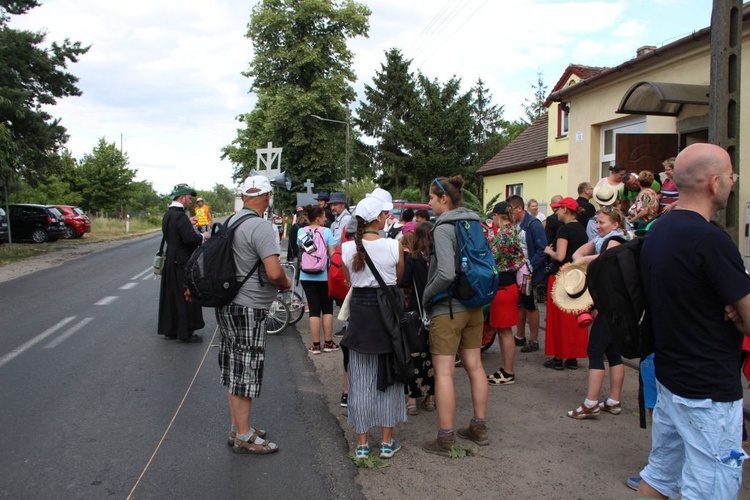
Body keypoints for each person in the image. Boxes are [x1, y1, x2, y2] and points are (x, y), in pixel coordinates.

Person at [637, 143, 750, 500]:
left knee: (659, 475)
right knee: (711, 487)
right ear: (714, 183)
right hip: (709, 390)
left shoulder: (659, 231)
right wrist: (735, 311)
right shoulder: (711, 240)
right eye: (731, 176)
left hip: (672, 376)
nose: (734, 183)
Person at [216, 175, 292, 454]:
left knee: (234, 365)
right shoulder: (259, 226)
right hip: (249, 307)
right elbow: (273, 272)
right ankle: (244, 435)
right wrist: (285, 283)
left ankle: (237, 427)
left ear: (243, 197)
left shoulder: (230, 222)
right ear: (268, 197)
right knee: (246, 368)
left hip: (228, 303)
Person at [421, 175, 489, 456]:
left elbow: (446, 273)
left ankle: (446, 438)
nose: (428, 202)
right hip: (475, 304)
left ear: (444, 199)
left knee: (444, 373)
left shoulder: (443, 227)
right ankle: (478, 427)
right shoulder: (473, 222)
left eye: (431, 197)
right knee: (475, 366)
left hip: (448, 308)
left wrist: (426, 295)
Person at [340, 196, 406, 460]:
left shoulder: (346, 249)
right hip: (387, 314)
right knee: (390, 373)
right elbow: (398, 279)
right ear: (378, 218)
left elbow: (349, 281)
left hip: (360, 313)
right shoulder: (393, 245)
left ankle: (362, 444)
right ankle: (387, 443)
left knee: (360, 376)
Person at [566, 207, 626, 419]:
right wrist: (586, 255)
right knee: (612, 352)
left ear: (616, 224)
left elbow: (602, 260)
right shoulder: (604, 240)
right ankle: (613, 401)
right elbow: (577, 255)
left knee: (595, 350)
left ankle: (591, 403)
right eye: (597, 222)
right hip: (614, 306)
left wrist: (585, 259)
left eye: (602, 222)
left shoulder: (615, 241)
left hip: (611, 307)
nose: (597, 226)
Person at [157, 183, 210, 343]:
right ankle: (185, 332)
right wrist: (203, 236)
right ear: (182, 197)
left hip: (170, 258)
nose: (190, 201)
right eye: (189, 198)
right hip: (182, 260)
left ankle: (170, 329)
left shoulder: (169, 215)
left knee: (172, 295)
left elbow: (175, 232)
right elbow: (189, 239)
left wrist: (189, 223)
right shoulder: (180, 216)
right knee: (185, 295)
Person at [542, 197, 588, 370]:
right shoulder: (581, 230)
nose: (556, 212)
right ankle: (572, 357)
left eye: (558, 209)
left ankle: (559, 356)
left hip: (560, 277)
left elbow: (560, 256)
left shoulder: (563, 230)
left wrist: (547, 250)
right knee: (572, 317)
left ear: (566, 210)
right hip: (576, 278)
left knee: (558, 319)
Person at [485, 201, 525, 386]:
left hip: (504, 287)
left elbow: (491, 259)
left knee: (505, 332)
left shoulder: (503, 236)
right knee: (503, 332)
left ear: (497, 215)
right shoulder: (511, 232)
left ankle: (508, 372)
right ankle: (505, 369)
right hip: (507, 286)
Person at [399, 224, 435, 415]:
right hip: (437, 311)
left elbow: (404, 282)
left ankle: (412, 400)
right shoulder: (437, 257)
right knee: (434, 354)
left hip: (417, 310)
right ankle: (431, 398)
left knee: (416, 354)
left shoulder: (414, 258)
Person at [507, 195, 547, 353]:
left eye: (511, 210)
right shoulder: (517, 224)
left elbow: (542, 249)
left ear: (519, 208)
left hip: (531, 273)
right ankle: (520, 336)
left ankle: (534, 340)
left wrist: (530, 266)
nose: (509, 214)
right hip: (519, 272)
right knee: (520, 304)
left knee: (531, 305)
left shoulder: (533, 224)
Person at [297, 205, 338, 354]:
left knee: (314, 310)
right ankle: (328, 343)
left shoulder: (301, 231)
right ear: (318, 218)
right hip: (324, 275)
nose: (326, 218)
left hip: (306, 276)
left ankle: (315, 345)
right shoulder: (327, 232)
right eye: (324, 216)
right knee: (327, 309)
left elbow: (300, 250)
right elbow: (332, 255)